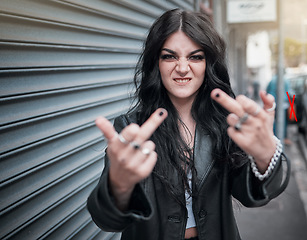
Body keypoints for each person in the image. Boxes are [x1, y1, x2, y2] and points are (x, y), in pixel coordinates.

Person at [87, 9, 290, 240]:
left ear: (208, 63)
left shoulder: (226, 124)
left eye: (195, 57)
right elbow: (106, 220)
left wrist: (265, 156)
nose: (182, 68)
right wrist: (119, 186)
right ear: (156, 63)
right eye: (170, 56)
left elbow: (251, 194)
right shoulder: (132, 129)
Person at [266, 73, 292, 145]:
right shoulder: (286, 80)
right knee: (283, 122)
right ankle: (282, 138)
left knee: (273, 120)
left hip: (273, 102)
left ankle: (273, 137)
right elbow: (289, 93)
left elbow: (267, 90)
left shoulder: (272, 80)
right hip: (283, 104)